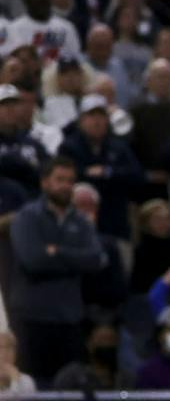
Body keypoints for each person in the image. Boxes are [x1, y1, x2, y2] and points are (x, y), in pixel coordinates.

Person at [9, 155, 106, 381]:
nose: (65, 186)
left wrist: (58, 252)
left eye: (70, 180)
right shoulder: (27, 217)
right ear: (45, 182)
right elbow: (33, 261)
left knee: (70, 389)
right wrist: (74, 260)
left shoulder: (81, 221)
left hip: (69, 320)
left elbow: (96, 259)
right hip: (31, 320)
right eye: (59, 179)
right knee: (33, 391)